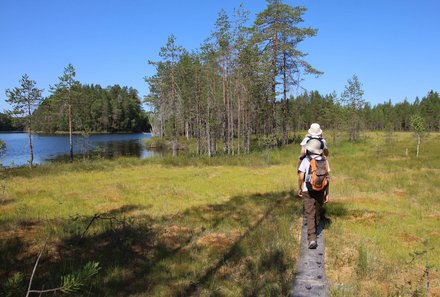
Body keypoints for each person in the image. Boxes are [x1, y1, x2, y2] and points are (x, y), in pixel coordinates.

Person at [297, 138, 330, 249]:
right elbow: (327, 178)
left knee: (309, 213)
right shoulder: (324, 160)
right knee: (317, 210)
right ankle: (315, 228)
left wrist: (300, 187)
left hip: (308, 190)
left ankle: (312, 238)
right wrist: (327, 193)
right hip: (321, 189)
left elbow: (301, 176)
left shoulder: (306, 160)